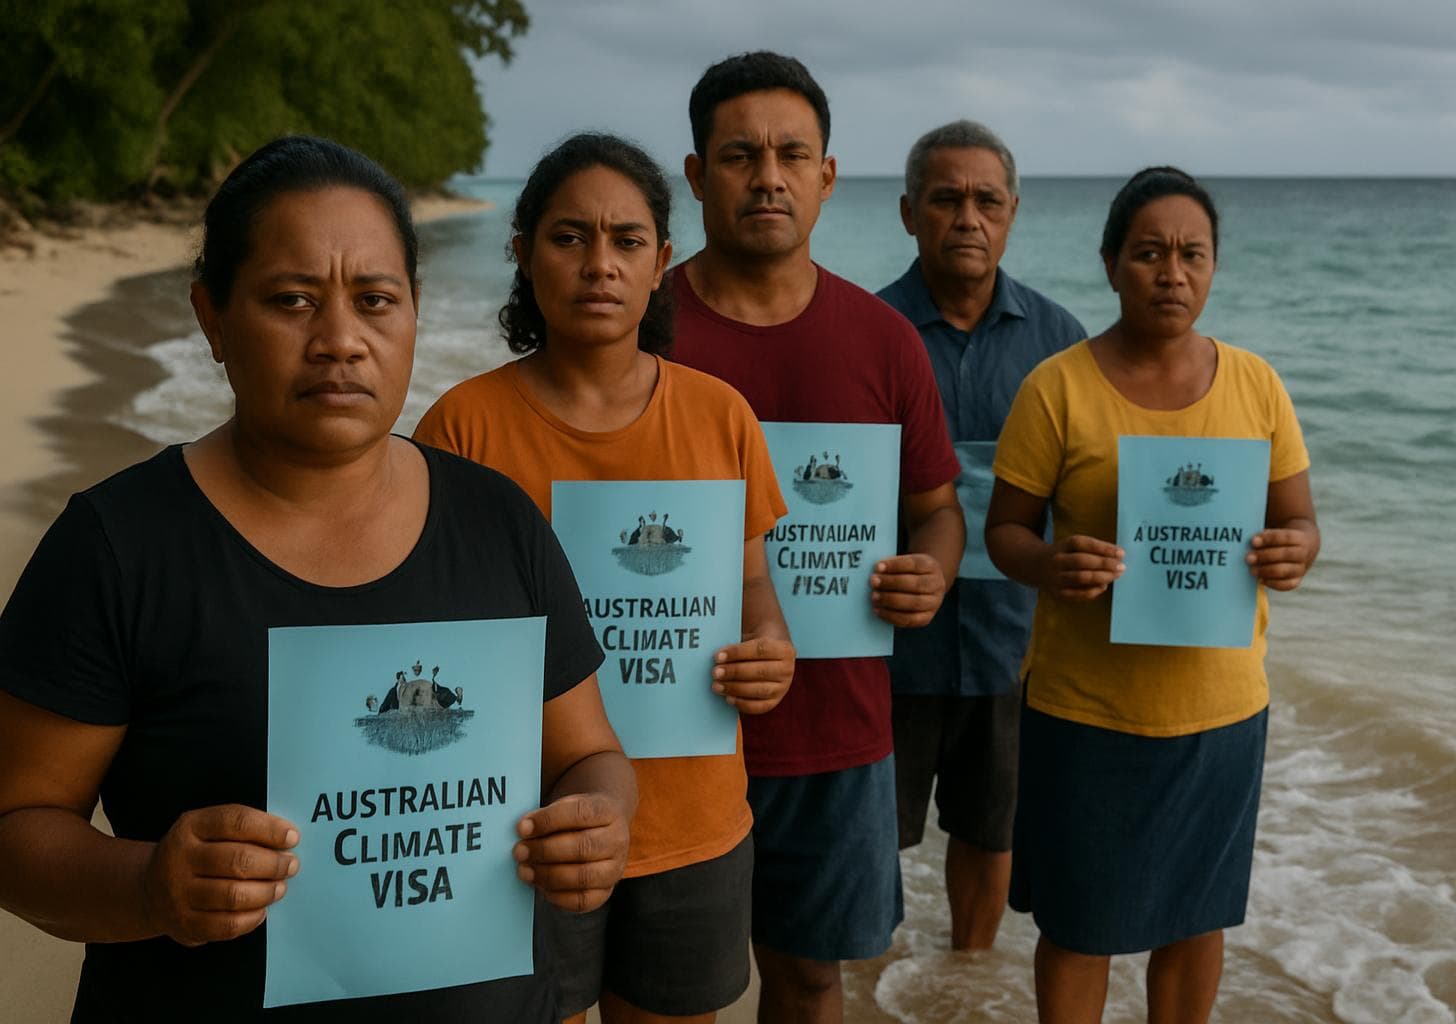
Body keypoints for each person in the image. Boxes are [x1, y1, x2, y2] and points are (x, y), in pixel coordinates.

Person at [0, 135, 637, 1023]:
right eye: (291, 301)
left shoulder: (498, 521)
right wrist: (149, 886)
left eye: (375, 300)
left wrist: (599, 818)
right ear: (212, 318)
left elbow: (590, 754)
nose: (340, 341)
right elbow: (18, 827)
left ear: (414, 312)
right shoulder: (119, 546)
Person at [414, 133, 795, 1024]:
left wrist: (770, 648)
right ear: (522, 253)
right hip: (521, 832)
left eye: (627, 241)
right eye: (568, 237)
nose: (599, 264)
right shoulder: (460, 429)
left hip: (694, 822)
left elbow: (753, 593)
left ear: (662, 263)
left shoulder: (720, 416)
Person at [984, 166, 1320, 1024]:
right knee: (1078, 927)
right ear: (1110, 264)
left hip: (1220, 712)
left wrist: (1294, 552)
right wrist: (1050, 565)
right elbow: (1005, 532)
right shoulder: (1057, 387)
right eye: (1149, 253)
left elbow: (1299, 522)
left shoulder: (1257, 385)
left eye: (1192, 254)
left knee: (1196, 920)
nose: (1172, 273)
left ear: (1213, 267)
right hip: (1086, 713)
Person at [668, 52, 965, 1023]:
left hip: (836, 731)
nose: (768, 177)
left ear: (827, 176)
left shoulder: (885, 340)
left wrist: (931, 571)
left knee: (808, 981)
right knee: (667, 995)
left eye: (792, 155)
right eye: (739, 155)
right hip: (666, 726)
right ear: (696, 174)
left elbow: (938, 508)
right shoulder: (641, 327)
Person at [876, 120, 1086, 951]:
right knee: (869, 832)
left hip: (1014, 644)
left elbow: (1088, 489)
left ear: (1013, 213)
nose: (968, 217)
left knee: (991, 830)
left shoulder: (1060, 343)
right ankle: (867, 982)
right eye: (946, 199)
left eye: (987, 201)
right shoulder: (868, 332)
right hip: (886, 639)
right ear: (908, 212)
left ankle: (964, 976)